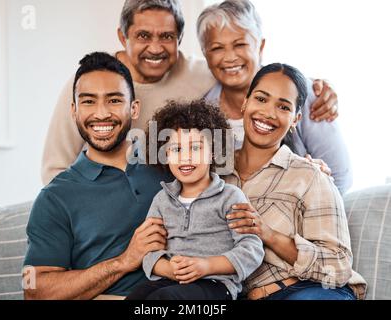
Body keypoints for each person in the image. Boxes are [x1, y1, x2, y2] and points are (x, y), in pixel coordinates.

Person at [41, 0, 339, 186]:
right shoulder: (90, 86)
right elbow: (55, 168)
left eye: (167, 37)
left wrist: (312, 85)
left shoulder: (203, 74)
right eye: (143, 36)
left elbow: (252, 71)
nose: (155, 48)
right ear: (122, 36)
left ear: (180, 39)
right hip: (108, 199)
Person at [23, 52, 173, 300]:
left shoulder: (169, 165)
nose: (101, 114)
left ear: (134, 109)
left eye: (114, 100)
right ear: (74, 111)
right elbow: (33, 290)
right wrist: (124, 261)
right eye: (88, 102)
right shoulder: (55, 197)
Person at [222, 63, 367, 300]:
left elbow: (339, 267)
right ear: (244, 103)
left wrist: (269, 234)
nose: (268, 113)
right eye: (261, 99)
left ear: (295, 119)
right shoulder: (215, 174)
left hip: (310, 290)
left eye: (283, 106)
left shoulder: (310, 175)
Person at [198, 0, 352, 194]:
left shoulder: (305, 95)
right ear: (205, 54)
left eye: (240, 44)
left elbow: (340, 176)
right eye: (217, 48)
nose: (230, 57)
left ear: (260, 46)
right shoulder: (201, 115)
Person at [126, 101, 264, 300]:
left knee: (165, 300)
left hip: (215, 284)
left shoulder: (230, 196)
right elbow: (149, 252)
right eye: (176, 149)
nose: (186, 158)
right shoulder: (162, 200)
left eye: (196, 148)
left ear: (214, 151)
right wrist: (168, 269)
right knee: (137, 297)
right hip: (171, 281)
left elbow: (251, 249)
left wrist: (207, 266)